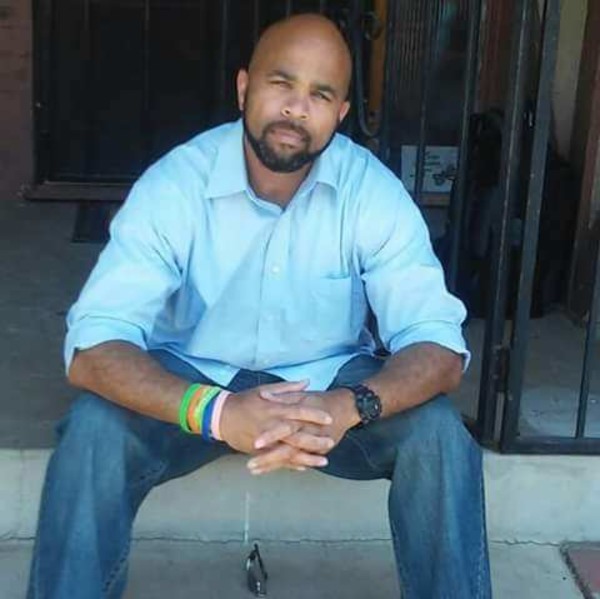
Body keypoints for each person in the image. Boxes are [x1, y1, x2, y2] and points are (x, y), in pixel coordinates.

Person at [27, 13, 491, 599]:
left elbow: (439, 345)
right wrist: (218, 412)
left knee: (440, 437)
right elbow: (93, 347)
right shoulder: (177, 183)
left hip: (327, 389)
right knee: (93, 432)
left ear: (341, 113)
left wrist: (350, 404)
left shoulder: (370, 190)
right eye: (281, 83)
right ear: (244, 87)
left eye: (320, 94)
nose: (296, 108)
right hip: (194, 380)